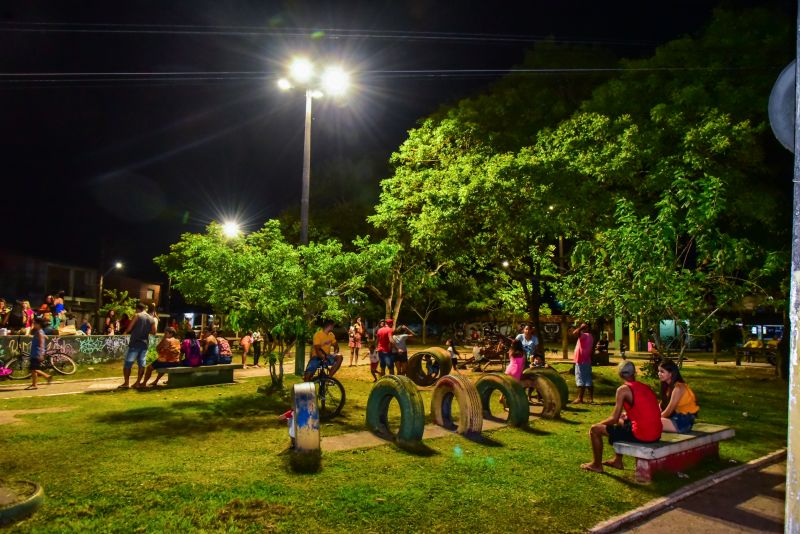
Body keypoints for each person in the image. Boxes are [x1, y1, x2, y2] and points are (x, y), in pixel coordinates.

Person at [581, 361, 662, 473]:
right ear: (635, 373)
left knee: (595, 430)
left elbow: (613, 418)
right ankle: (617, 461)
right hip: (656, 434)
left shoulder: (623, 390)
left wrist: (598, 424)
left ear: (620, 375)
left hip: (642, 435)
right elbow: (644, 410)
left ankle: (596, 465)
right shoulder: (645, 387)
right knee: (621, 422)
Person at [120, 302, 156, 389]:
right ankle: (137, 383)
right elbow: (154, 332)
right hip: (144, 344)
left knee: (128, 364)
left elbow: (130, 328)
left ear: (137, 309)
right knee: (141, 364)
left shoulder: (137, 316)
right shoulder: (151, 318)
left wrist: (125, 332)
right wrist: (146, 331)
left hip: (135, 343)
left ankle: (126, 383)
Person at [658, 359, 699, 432]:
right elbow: (661, 406)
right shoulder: (668, 388)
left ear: (670, 374)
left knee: (650, 423)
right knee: (647, 420)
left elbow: (669, 410)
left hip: (684, 421)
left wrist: (655, 417)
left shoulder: (678, 388)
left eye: (662, 371)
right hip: (677, 418)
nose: (659, 373)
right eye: (659, 371)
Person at [26, 317, 53, 390]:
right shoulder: (39, 332)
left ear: (39, 324)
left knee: (34, 369)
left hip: (37, 353)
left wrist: (41, 354)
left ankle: (47, 376)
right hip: (34, 352)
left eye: (35, 323)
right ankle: (34, 384)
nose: (34, 324)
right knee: (33, 369)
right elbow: (43, 337)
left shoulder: (40, 332)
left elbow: (41, 343)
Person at [571, 323, 594, 404]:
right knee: (588, 380)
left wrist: (581, 328)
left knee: (580, 380)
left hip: (581, 361)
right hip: (587, 361)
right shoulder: (590, 336)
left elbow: (574, 333)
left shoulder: (584, 335)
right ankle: (591, 399)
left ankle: (580, 398)